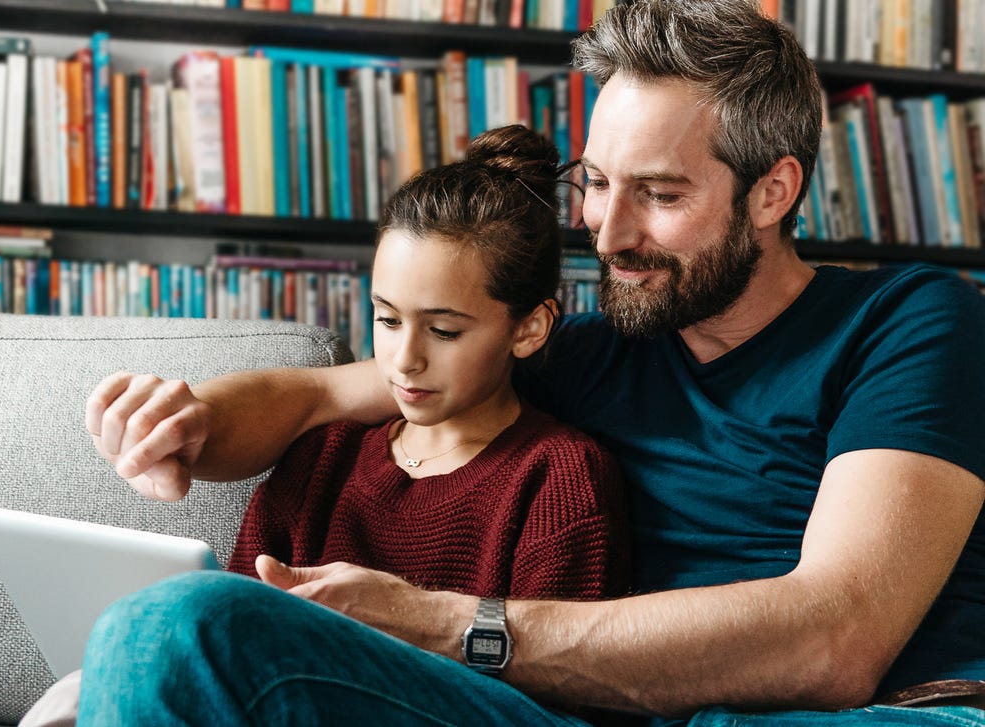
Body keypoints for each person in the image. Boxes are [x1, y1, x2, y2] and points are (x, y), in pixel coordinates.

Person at [81, 0, 985, 724]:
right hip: (615, 711)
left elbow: (837, 638)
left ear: (772, 191)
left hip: (887, 711)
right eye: (595, 181)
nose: (608, 231)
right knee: (181, 633)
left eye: (660, 194)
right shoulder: (585, 352)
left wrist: (443, 623)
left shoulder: (911, 321)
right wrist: (190, 422)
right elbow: (323, 392)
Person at [22, 125, 630, 726]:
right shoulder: (323, 457)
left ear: (529, 328)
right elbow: (231, 626)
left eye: (444, 330)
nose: (405, 359)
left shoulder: (561, 476)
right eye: (387, 320)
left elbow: (558, 691)